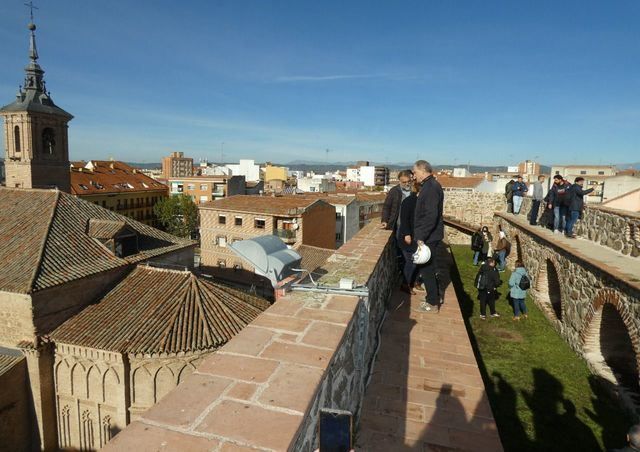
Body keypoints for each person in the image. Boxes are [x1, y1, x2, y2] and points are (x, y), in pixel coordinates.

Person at [412, 160, 444, 312]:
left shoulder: (430, 187)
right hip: (431, 234)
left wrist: (421, 236)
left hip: (429, 236)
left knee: (427, 269)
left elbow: (431, 215)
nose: (414, 175)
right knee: (428, 268)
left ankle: (432, 301)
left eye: (415, 172)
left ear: (423, 170)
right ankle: (435, 296)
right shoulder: (431, 185)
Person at [397, 180, 419, 294]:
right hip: (407, 236)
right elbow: (404, 220)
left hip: (415, 236)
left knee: (416, 261)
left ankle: (412, 282)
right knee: (411, 262)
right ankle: (405, 284)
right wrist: (407, 234)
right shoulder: (408, 201)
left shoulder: (419, 201)